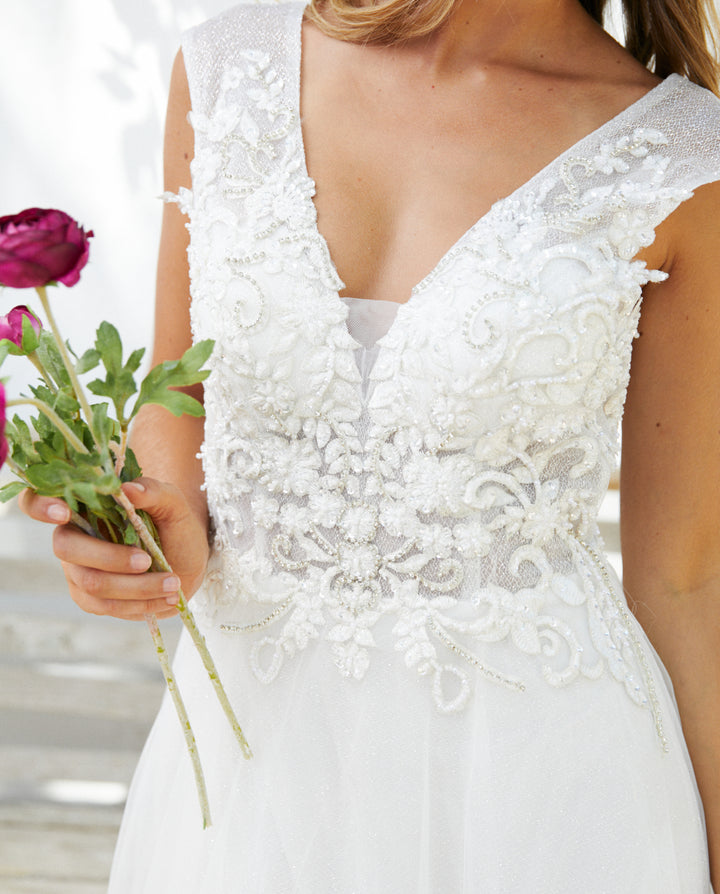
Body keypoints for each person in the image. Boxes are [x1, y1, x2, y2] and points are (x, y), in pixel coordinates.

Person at [20, 0, 720, 889]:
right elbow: (177, 391)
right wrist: (156, 529)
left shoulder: (685, 159)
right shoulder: (229, 69)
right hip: (254, 780)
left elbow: (686, 578)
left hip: (545, 797)